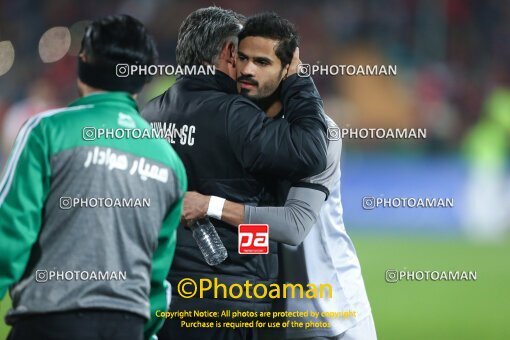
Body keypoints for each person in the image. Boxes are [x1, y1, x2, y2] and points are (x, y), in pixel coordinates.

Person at [182, 13, 377, 340]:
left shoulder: (318, 135)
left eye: (262, 62)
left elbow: (292, 226)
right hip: (271, 315)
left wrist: (210, 206)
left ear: (288, 70)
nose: (247, 70)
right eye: (242, 58)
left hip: (329, 314)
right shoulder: (238, 128)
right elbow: (256, 234)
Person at [141, 6, 328, 340]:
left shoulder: (150, 114)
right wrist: (298, 79)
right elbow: (311, 151)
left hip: (164, 292)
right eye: (242, 54)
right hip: (231, 297)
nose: (246, 65)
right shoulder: (233, 114)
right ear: (228, 52)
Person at [0, 15, 187, 340]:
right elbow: (158, 269)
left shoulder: (48, 131)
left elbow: (10, 233)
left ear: (83, 62)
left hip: (49, 321)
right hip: (127, 326)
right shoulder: (169, 161)